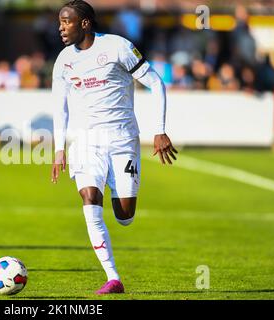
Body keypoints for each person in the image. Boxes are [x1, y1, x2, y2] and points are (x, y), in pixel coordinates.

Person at [50, 0, 178, 295]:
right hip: (84, 142)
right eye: (60, 22)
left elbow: (156, 84)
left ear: (85, 23)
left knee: (124, 216)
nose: (61, 27)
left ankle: (115, 189)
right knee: (89, 198)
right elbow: (60, 107)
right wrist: (59, 149)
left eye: (66, 22)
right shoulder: (63, 61)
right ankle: (113, 277)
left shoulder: (118, 47)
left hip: (122, 141)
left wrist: (159, 131)